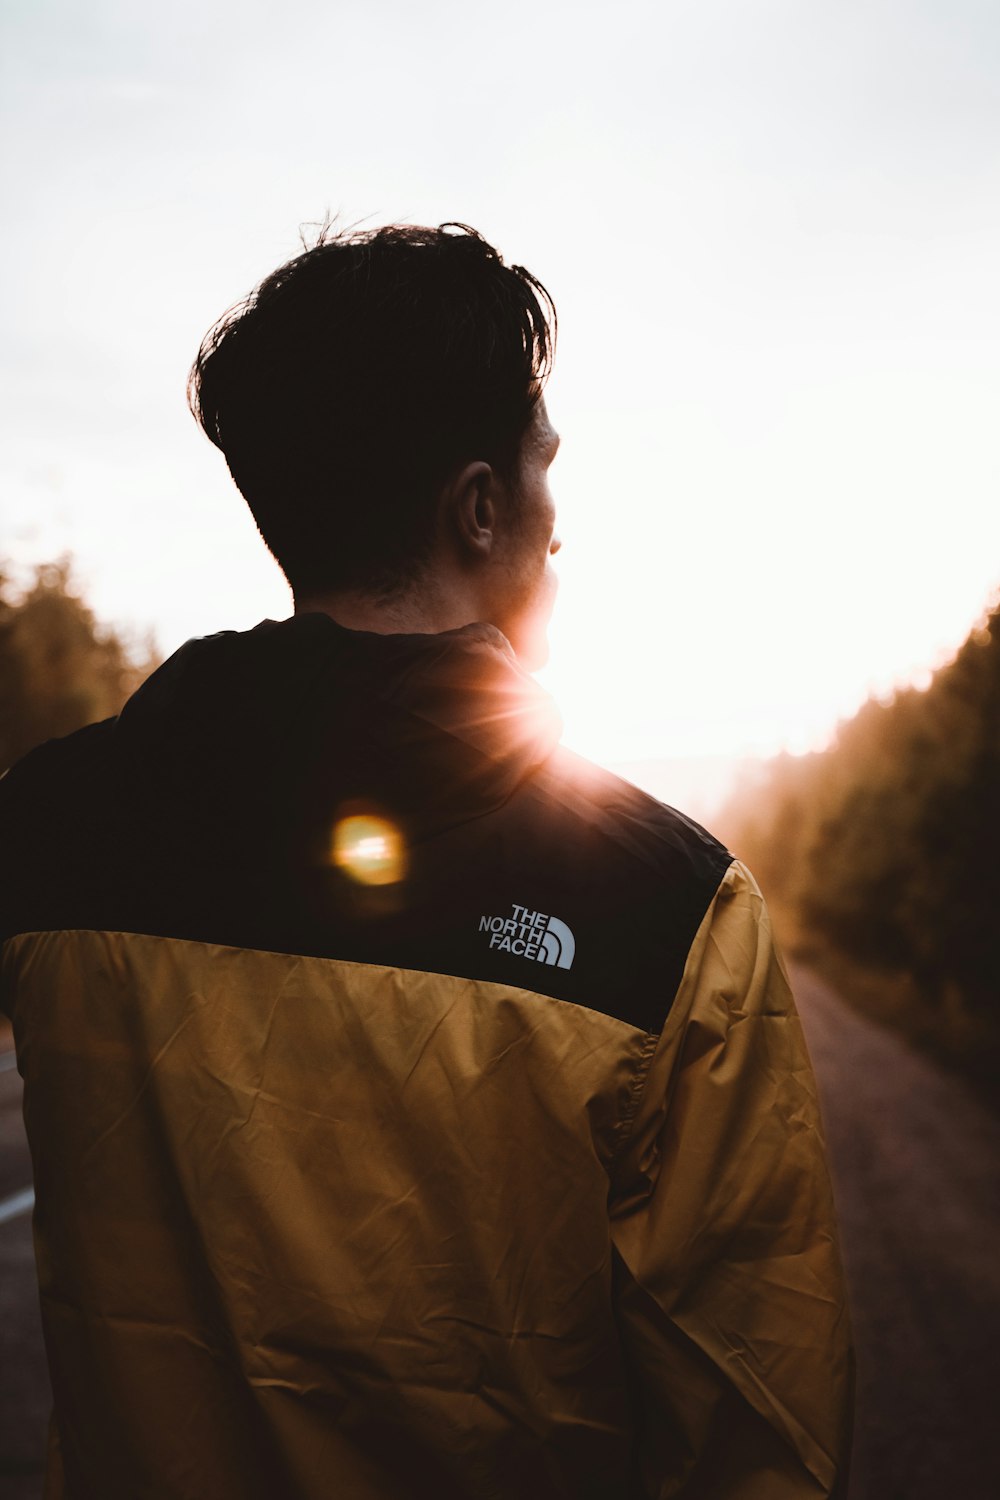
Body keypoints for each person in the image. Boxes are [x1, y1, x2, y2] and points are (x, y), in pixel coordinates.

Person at [0, 222, 853, 1498]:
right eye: (545, 475)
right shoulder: (669, 910)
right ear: (478, 507)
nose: (559, 532)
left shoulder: (48, 828)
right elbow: (752, 1426)